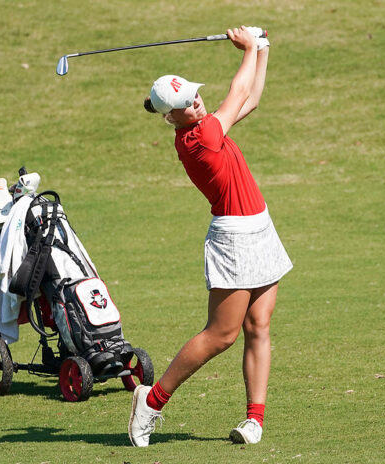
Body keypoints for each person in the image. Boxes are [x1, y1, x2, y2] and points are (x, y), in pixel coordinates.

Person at [128, 26, 293, 447]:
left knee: (260, 326)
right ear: (171, 117)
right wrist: (249, 47)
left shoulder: (207, 126)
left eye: (195, 95)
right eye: (186, 104)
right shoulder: (199, 138)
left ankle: (253, 419)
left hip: (261, 226)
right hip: (234, 238)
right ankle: (152, 401)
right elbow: (238, 93)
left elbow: (251, 99)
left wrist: (264, 50)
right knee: (222, 334)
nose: (196, 102)